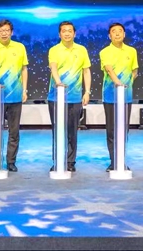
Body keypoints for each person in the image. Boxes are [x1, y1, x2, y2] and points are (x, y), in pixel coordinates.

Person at [0, 20, 29, 172]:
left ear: (11, 32)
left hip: (16, 97)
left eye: (7, 30)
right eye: (1, 31)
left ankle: (11, 161)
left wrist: (24, 90)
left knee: (14, 131)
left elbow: (24, 69)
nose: (4, 33)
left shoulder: (20, 47)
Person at [47, 21, 91, 172]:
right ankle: (58, 161)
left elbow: (86, 71)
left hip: (75, 98)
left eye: (69, 31)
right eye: (64, 31)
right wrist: (59, 83)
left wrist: (87, 92)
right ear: (59, 34)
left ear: (74, 33)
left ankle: (70, 162)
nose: (67, 33)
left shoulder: (82, 50)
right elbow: (53, 68)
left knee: (72, 132)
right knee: (57, 131)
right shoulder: (54, 50)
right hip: (56, 97)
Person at [100, 22, 138, 172]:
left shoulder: (132, 51)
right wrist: (119, 84)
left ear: (124, 34)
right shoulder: (105, 52)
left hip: (126, 97)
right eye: (114, 31)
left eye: (120, 31)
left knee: (123, 130)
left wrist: (128, 83)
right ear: (109, 36)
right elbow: (109, 70)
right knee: (111, 130)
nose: (117, 33)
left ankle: (121, 160)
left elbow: (134, 71)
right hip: (110, 96)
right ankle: (113, 161)